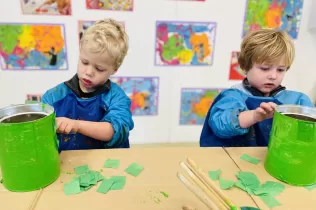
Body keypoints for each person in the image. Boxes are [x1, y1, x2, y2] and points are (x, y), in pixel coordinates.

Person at [200, 29, 314, 147]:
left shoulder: (298, 101)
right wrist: (254, 116)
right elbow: (220, 125)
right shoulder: (233, 96)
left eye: (280, 70)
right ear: (245, 67)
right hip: (237, 159)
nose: (273, 76)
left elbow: (309, 135)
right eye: (265, 68)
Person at [42, 19, 134, 152]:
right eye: (85, 62)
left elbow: (115, 131)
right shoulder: (53, 97)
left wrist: (76, 125)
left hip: (108, 164)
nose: (89, 72)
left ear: (114, 70)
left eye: (100, 69)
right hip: (69, 166)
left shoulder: (117, 98)